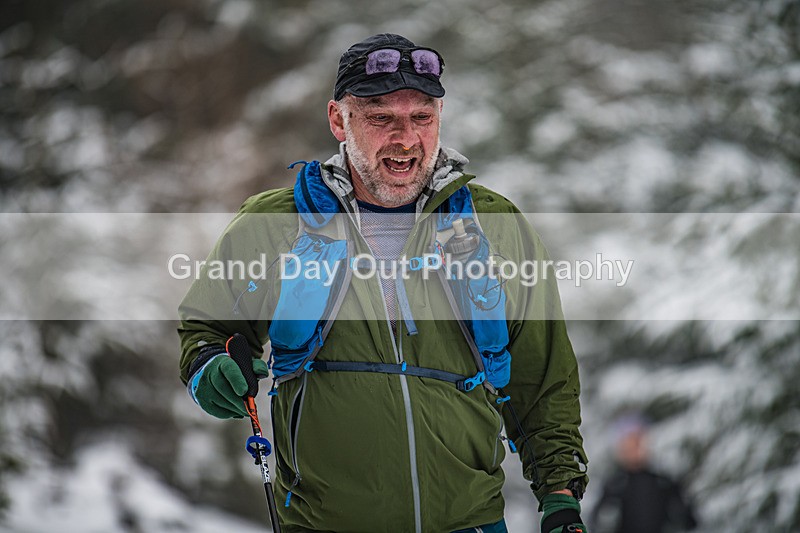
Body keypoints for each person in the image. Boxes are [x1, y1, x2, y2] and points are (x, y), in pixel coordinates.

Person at [178, 33, 589, 533]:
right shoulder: (275, 223)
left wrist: (560, 496)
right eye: (381, 119)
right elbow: (206, 329)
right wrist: (211, 366)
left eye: (422, 118)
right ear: (338, 120)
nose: (406, 138)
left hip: (470, 523)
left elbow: (542, 377)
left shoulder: (493, 224)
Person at [590, 415, 697, 533]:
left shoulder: (664, 483)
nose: (634, 448)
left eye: (638, 441)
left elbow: (689, 522)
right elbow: (597, 523)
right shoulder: (614, 486)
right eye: (628, 443)